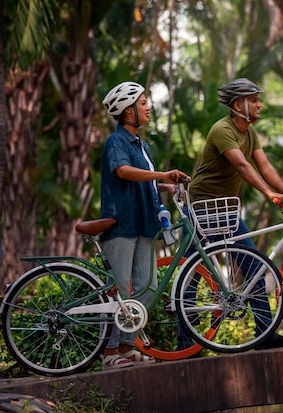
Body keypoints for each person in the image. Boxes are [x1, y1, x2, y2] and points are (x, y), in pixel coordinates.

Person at [189, 77, 283, 350]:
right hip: (202, 207)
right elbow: (242, 165)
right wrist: (268, 195)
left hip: (226, 209)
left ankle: (264, 334)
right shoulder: (222, 129)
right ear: (238, 104)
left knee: (253, 266)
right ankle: (186, 344)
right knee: (191, 274)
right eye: (253, 100)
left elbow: (264, 167)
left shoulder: (249, 133)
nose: (259, 104)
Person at [100, 81, 190, 368]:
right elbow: (123, 172)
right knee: (121, 292)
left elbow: (144, 182)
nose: (148, 107)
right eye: (142, 103)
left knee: (148, 287)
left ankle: (127, 347)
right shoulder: (117, 142)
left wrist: (166, 187)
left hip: (145, 224)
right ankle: (108, 353)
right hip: (122, 224)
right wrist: (162, 173)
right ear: (128, 111)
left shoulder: (143, 144)